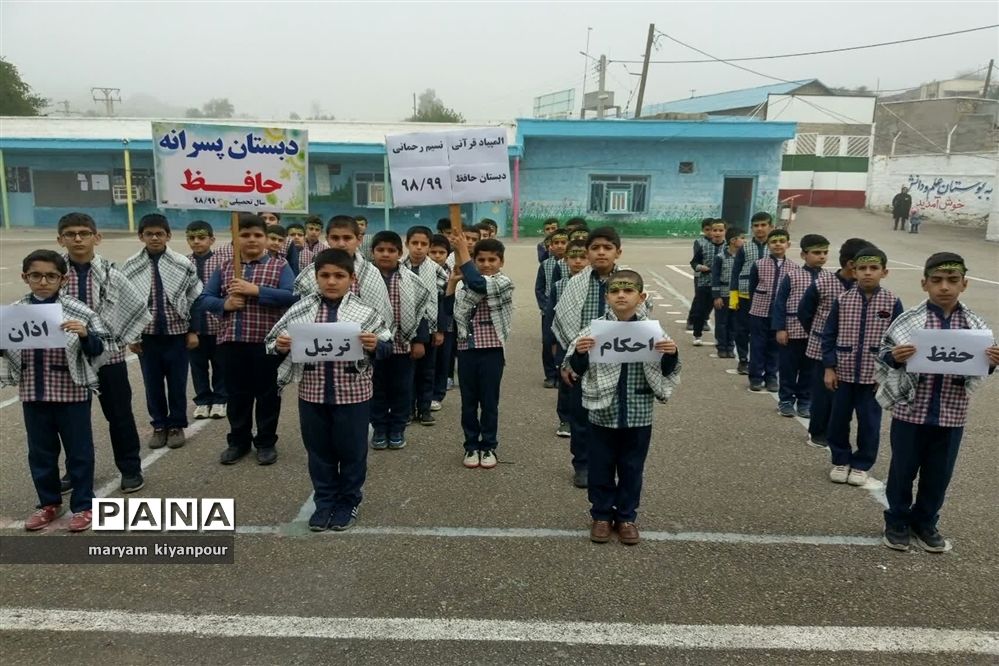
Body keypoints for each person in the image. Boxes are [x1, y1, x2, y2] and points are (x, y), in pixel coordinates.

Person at [875, 252, 999, 552]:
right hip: (910, 411)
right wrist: (895, 357)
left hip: (951, 414)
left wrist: (992, 362)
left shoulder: (975, 326)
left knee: (939, 474)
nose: (945, 287)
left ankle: (926, 521)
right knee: (902, 471)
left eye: (953, 281)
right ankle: (897, 521)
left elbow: (980, 366)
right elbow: (883, 355)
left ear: (964, 284)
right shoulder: (909, 321)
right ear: (924, 284)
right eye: (937, 280)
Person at [267, 249, 392, 532]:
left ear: (352, 278)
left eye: (339, 276)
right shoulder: (301, 310)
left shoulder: (366, 312)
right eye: (325, 275)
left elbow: (387, 347)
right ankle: (324, 503)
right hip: (312, 396)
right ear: (316, 277)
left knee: (352, 451)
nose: (331, 281)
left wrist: (375, 345)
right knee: (319, 452)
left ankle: (348, 501)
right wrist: (280, 347)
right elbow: (273, 343)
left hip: (354, 397)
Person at [565, 270, 680, 546]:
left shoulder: (653, 331)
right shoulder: (593, 331)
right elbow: (575, 370)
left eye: (628, 291)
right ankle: (602, 515)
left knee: (632, 467)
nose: (621, 295)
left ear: (641, 297)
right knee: (600, 466)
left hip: (639, 412)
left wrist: (672, 353)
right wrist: (580, 353)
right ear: (607, 297)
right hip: (602, 412)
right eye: (615, 291)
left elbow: (668, 370)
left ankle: (627, 516)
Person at [2, 250, 109, 532]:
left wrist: (86, 335)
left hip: (71, 394)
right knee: (41, 453)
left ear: (63, 279)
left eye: (51, 276)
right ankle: (48, 502)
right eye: (36, 275)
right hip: (33, 394)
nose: (43, 281)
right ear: (25, 277)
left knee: (79, 452)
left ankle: (84, 505)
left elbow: (101, 350)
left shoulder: (80, 311)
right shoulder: (14, 312)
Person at [56, 213, 150, 495]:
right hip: (69, 359)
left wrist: (129, 337)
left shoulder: (112, 273)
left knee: (119, 416)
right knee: (73, 421)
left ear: (96, 237)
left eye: (84, 233)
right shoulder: (54, 274)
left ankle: (130, 468)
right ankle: (76, 471)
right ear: (60, 239)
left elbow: (135, 308)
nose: (77, 239)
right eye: (70, 233)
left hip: (110, 357)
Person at [199, 214, 297, 466]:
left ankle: (265, 442)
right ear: (235, 238)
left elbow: (291, 295)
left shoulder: (280, 266)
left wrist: (255, 291)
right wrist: (226, 304)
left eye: (257, 235)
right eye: (245, 235)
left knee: (268, 395)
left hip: (267, 344)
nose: (251, 239)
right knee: (237, 396)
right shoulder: (225, 268)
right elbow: (204, 299)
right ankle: (238, 441)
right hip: (232, 343)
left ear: (265, 238)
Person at [821, 246, 903, 486]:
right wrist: (829, 367)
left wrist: (887, 373)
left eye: (874, 268)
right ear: (853, 271)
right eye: (862, 268)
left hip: (873, 377)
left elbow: (899, 339)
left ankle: (861, 464)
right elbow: (829, 335)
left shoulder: (892, 302)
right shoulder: (842, 300)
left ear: (884, 272)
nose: (868, 273)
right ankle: (840, 459)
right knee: (838, 420)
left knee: (869, 423)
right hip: (843, 374)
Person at [121, 213, 203, 450]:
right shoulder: (131, 266)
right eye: (149, 234)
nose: (154, 238)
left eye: (159, 233)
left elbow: (195, 298)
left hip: (177, 335)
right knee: (152, 384)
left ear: (168, 235)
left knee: (177, 383)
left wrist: (193, 331)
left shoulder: (181, 264)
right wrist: (132, 336)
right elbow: (126, 303)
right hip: (147, 338)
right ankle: (159, 426)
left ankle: (176, 425)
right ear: (141, 236)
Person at [553, 226, 623, 489]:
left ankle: (608, 465)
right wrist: (567, 361)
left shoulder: (628, 281)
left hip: (617, 359)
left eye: (607, 248)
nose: (601, 253)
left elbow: (641, 319)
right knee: (581, 418)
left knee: (612, 418)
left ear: (618, 252)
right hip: (583, 359)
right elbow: (564, 323)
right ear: (588, 252)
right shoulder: (575, 283)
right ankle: (581, 464)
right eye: (595, 248)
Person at [448, 233, 514, 470]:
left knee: (489, 402)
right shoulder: (465, 286)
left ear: (501, 262)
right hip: (467, 351)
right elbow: (449, 313)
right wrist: (453, 283)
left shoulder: (503, 282)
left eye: (492, 260)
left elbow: (479, 284)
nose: (486, 264)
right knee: (468, 402)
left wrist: (463, 250)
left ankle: (488, 446)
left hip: (492, 352)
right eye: (481, 260)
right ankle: (470, 445)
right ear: (474, 262)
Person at [798, 237, 868, 448]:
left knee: (842, 396)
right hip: (822, 348)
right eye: (862, 265)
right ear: (850, 264)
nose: (867, 271)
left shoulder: (863, 288)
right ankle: (818, 432)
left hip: (851, 352)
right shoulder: (823, 283)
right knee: (822, 393)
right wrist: (818, 333)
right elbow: (805, 312)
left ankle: (836, 433)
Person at [368, 230, 432, 450]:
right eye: (380, 250)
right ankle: (379, 428)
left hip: (402, 345)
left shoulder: (410, 280)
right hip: (372, 346)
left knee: (402, 389)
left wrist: (419, 340)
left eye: (391, 250)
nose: (385, 254)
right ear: (372, 252)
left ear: (399, 252)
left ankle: (397, 429)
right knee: (376, 389)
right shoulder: (364, 277)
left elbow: (420, 310)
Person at [293, 216, 394, 330]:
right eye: (335, 238)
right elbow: (302, 314)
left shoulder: (371, 272)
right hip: (318, 338)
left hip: (362, 339)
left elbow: (380, 313)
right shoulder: (312, 272)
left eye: (347, 238)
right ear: (327, 239)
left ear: (359, 239)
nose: (341, 244)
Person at [772, 234, 829, 418]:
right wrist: (780, 328)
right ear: (804, 255)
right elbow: (780, 303)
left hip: (816, 335)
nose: (821, 256)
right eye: (816, 252)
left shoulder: (829, 279)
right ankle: (786, 400)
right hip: (792, 331)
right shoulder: (793, 275)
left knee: (810, 370)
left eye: (825, 252)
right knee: (788, 367)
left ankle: (805, 401)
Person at [403, 226, 449, 425]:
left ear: (429, 247)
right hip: (405, 328)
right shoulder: (400, 267)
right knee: (407, 371)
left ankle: (424, 408)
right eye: (415, 243)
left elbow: (442, 302)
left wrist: (440, 329)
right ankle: (407, 409)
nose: (419, 248)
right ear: (407, 244)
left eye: (423, 244)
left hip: (430, 328)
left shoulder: (436, 270)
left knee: (427, 371)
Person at [545, 238, 589, 438]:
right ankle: (565, 419)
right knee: (566, 382)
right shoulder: (559, 286)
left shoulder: (596, 285)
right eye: (573, 257)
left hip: (589, 342)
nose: (578, 261)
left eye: (583, 257)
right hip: (565, 341)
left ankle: (589, 418)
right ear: (565, 260)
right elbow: (551, 316)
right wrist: (552, 342)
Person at [185, 220, 227, 421]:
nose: (196, 242)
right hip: (194, 327)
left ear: (211, 239)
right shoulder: (182, 263)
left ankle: (220, 398)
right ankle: (202, 400)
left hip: (218, 325)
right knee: (198, 366)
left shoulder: (222, 263)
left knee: (220, 364)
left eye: (201, 238)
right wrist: (189, 328)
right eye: (192, 238)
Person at [747, 228, 794, 392]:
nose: (778, 245)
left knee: (776, 347)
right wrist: (755, 305)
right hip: (759, 312)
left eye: (781, 241)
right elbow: (752, 287)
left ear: (788, 244)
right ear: (768, 245)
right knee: (757, 345)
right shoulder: (759, 264)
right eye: (774, 242)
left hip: (780, 316)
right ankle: (755, 377)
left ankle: (771, 376)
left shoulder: (793, 268)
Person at [729, 212, 774, 375]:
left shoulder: (775, 246)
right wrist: (733, 295)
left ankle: (763, 364)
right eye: (756, 225)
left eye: (763, 225)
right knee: (742, 330)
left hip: (768, 297)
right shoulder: (745, 247)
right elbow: (736, 271)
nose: (760, 228)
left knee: (765, 333)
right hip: (744, 295)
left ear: (771, 227)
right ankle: (743, 359)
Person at [535, 228, 569, 388]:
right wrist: (546, 306)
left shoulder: (573, 263)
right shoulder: (545, 265)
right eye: (557, 243)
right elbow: (539, 288)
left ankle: (563, 372)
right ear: (550, 245)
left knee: (564, 342)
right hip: (549, 311)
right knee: (548, 342)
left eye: (564, 242)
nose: (560, 246)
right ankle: (550, 375)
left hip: (568, 311)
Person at [429, 233, 456, 408]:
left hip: (448, 325)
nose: (437, 256)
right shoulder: (421, 270)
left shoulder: (452, 272)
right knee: (428, 361)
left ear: (447, 253)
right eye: (433, 252)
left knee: (443, 360)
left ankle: (437, 395)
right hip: (428, 324)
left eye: (441, 252)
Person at [690, 219, 726, 346]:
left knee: (721, 313)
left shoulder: (728, 247)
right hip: (704, 283)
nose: (717, 233)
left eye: (720, 230)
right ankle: (697, 334)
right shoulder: (704, 246)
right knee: (700, 310)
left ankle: (721, 339)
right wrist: (700, 267)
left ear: (725, 231)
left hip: (722, 285)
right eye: (714, 230)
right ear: (710, 231)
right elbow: (694, 262)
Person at [711, 227, 744, 360]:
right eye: (741, 238)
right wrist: (716, 296)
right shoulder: (720, 257)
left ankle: (730, 347)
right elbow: (715, 277)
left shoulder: (743, 257)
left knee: (734, 322)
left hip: (736, 295)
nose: (744, 241)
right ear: (733, 240)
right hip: (723, 294)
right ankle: (721, 347)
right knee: (722, 322)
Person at [685, 218, 715, 333]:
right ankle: (692, 320)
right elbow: (696, 259)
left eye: (713, 229)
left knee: (712, 298)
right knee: (699, 298)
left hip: (715, 275)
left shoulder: (722, 243)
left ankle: (704, 319)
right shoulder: (699, 242)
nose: (711, 232)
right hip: (701, 274)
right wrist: (701, 267)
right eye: (707, 230)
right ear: (703, 230)